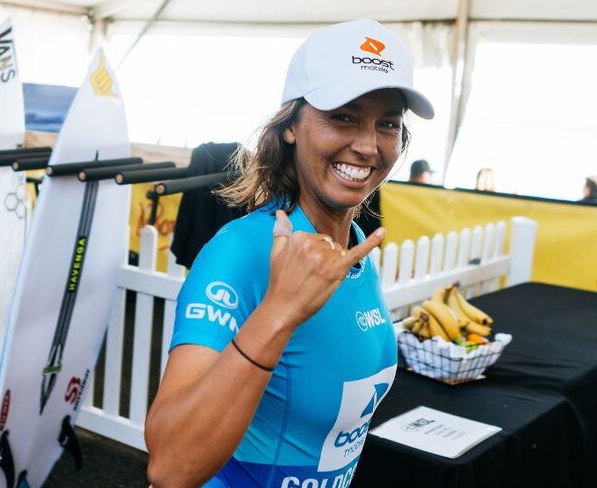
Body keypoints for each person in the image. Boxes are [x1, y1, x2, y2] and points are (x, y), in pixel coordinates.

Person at [144, 18, 434, 488]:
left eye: (388, 124)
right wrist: (279, 311)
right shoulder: (240, 251)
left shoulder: (356, 245)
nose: (367, 145)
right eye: (342, 116)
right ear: (291, 126)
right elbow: (169, 467)